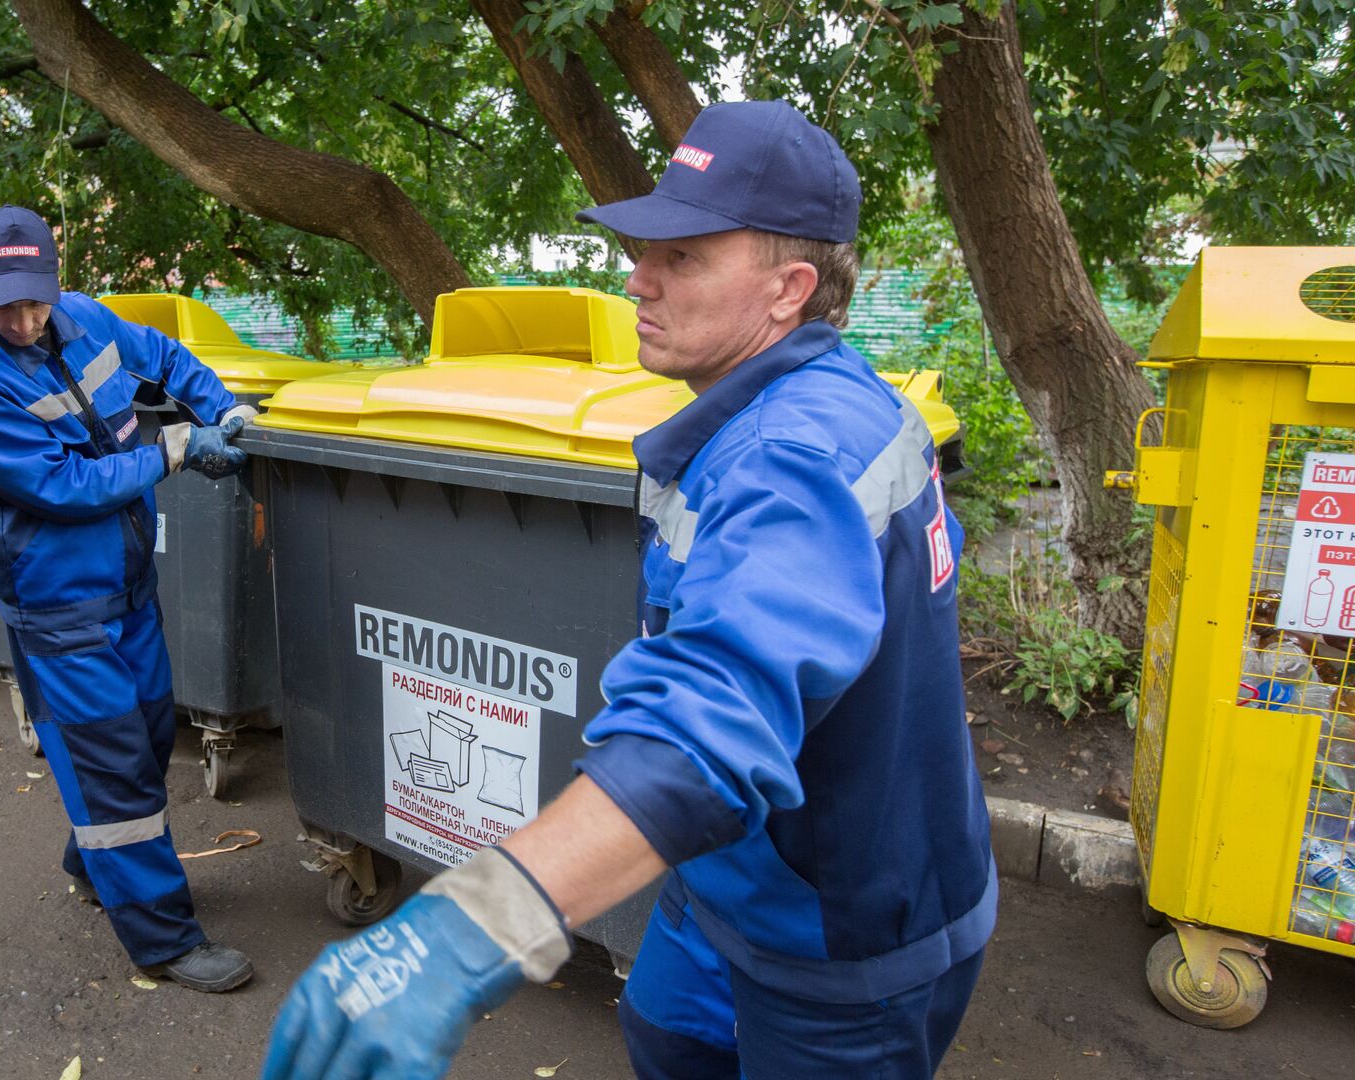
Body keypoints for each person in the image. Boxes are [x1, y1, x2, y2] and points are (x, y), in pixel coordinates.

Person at [260, 100, 994, 1077]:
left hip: (837, 928)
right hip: (735, 871)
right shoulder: (790, 404)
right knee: (663, 1033)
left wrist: (475, 923)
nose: (636, 278)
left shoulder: (793, 455)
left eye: (683, 256)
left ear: (790, 290)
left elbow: (712, 715)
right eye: (644, 248)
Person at [0, 205, 256, 993]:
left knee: (146, 737)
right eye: (3, 302)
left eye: (34, 297)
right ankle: (164, 940)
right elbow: (61, 484)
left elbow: (166, 358)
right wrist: (173, 448)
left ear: (55, 276)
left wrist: (222, 407)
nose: (23, 318)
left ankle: (98, 858)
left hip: (126, 583)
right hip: (57, 603)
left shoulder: (81, 319)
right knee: (115, 765)